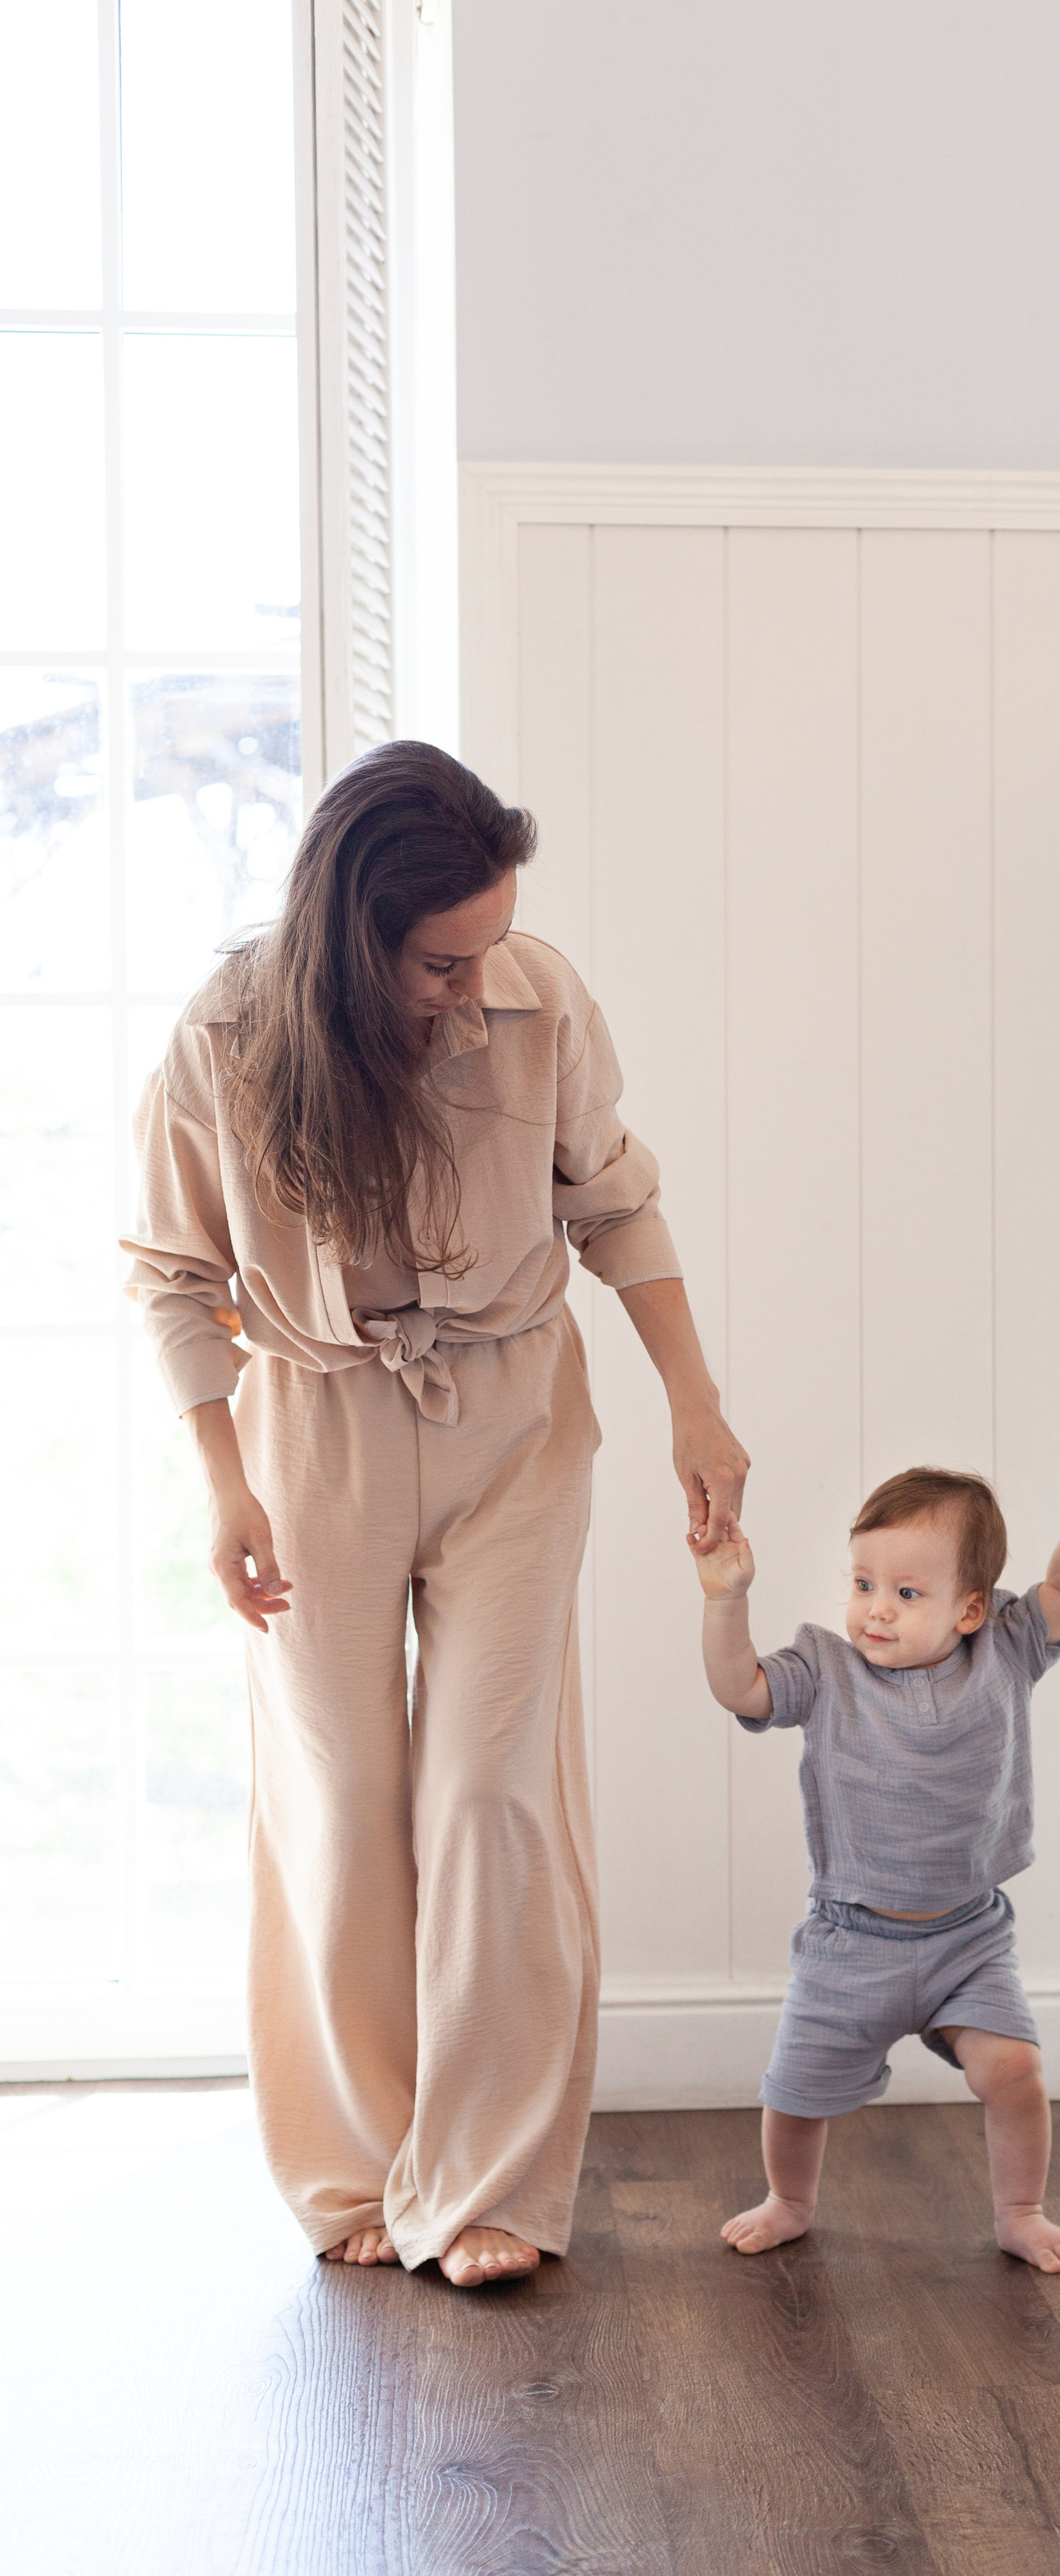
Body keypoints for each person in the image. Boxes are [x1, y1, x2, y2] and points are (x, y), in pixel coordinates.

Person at [123, 740, 748, 2287]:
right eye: (440, 961)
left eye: (490, 945)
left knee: (490, 1798)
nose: (476, 985)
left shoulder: (539, 997)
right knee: (340, 1812)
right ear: (351, 942)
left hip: (515, 1424)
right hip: (310, 1433)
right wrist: (224, 1484)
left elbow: (614, 1201)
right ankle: (356, 2172)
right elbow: (173, 1272)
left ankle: (485, 2187)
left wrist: (695, 1399)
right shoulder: (223, 1037)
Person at [691, 1430, 1060, 2271]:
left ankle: (1020, 2210)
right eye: (862, 1585)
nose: (875, 1609)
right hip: (851, 1940)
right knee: (793, 2094)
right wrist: (725, 1599)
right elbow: (737, 1687)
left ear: (969, 1609)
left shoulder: (1003, 1650)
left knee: (1014, 2073)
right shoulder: (828, 1671)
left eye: (904, 1591)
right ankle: (788, 2198)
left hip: (969, 1938)